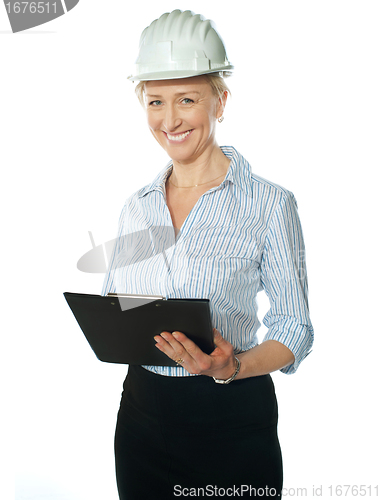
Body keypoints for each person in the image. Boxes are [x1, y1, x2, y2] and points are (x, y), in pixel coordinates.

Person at [102, 9, 314, 500]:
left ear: (221, 100)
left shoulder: (269, 204)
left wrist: (230, 366)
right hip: (141, 415)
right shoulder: (136, 207)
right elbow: (120, 304)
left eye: (187, 99)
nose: (170, 120)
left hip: (232, 420)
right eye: (156, 101)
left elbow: (295, 330)